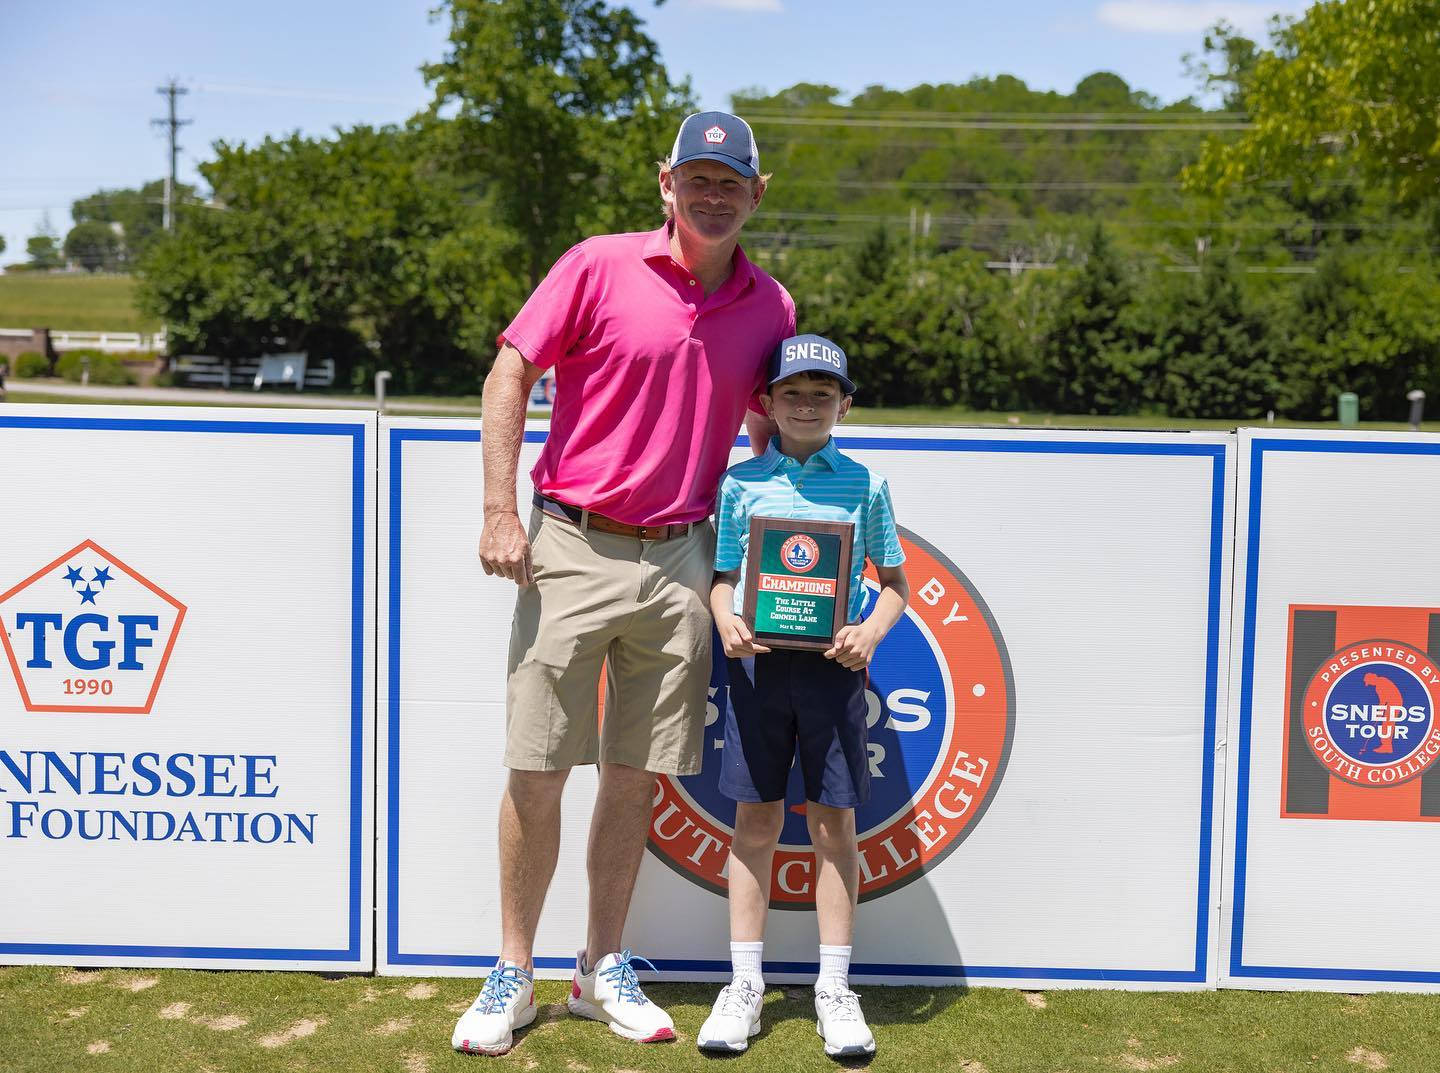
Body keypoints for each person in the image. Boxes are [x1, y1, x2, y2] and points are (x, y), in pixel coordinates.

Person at [451, 110, 795, 1057]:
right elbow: (511, 367)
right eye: (698, 178)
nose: (713, 195)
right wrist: (497, 507)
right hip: (572, 541)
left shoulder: (773, 306)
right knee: (539, 763)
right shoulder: (597, 263)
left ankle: (601, 965)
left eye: (731, 182)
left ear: (757, 195)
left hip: (685, 555)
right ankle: (514, 971)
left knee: (634, 776)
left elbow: (767, 432)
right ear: (666, 184)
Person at [697, 335, 910, 1059]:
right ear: (768, 403)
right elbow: (723, 575)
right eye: (793, 393)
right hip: (757, 669)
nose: (808, 405)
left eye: (824, 394)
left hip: (833, 673)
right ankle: (745, 984)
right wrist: (724, 616)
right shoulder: (740, 483)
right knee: (753, 822)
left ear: (845, 405)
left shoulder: (865, 482)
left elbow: (896, 586)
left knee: (832, 827)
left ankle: (834, 988)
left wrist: (870, 632)